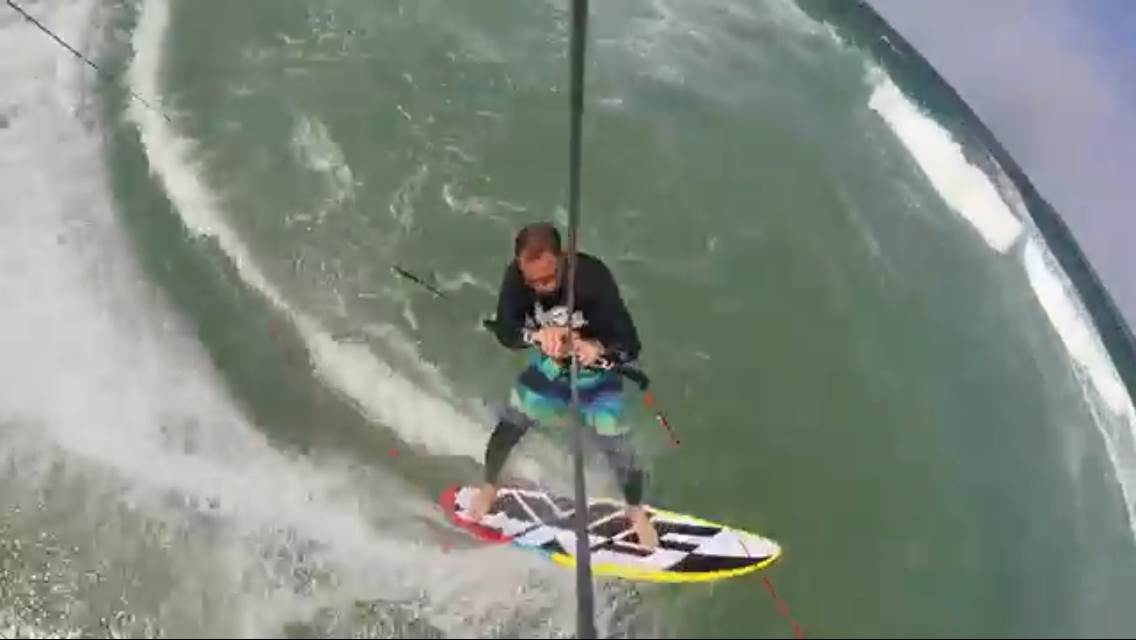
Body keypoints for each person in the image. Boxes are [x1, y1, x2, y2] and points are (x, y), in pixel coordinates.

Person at [470, 221, 659, 550]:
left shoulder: (592, 277)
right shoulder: (516, 278)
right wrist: (535, 336)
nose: (541, 287)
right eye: (533, 281)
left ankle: (635, 509)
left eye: (548, 278)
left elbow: (630, 343)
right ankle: (489, 486)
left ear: (562, 259)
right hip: (552, 369)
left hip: (596, 376)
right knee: (510, 426)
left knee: (619, 448)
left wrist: (597, 348)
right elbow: (506, 331)